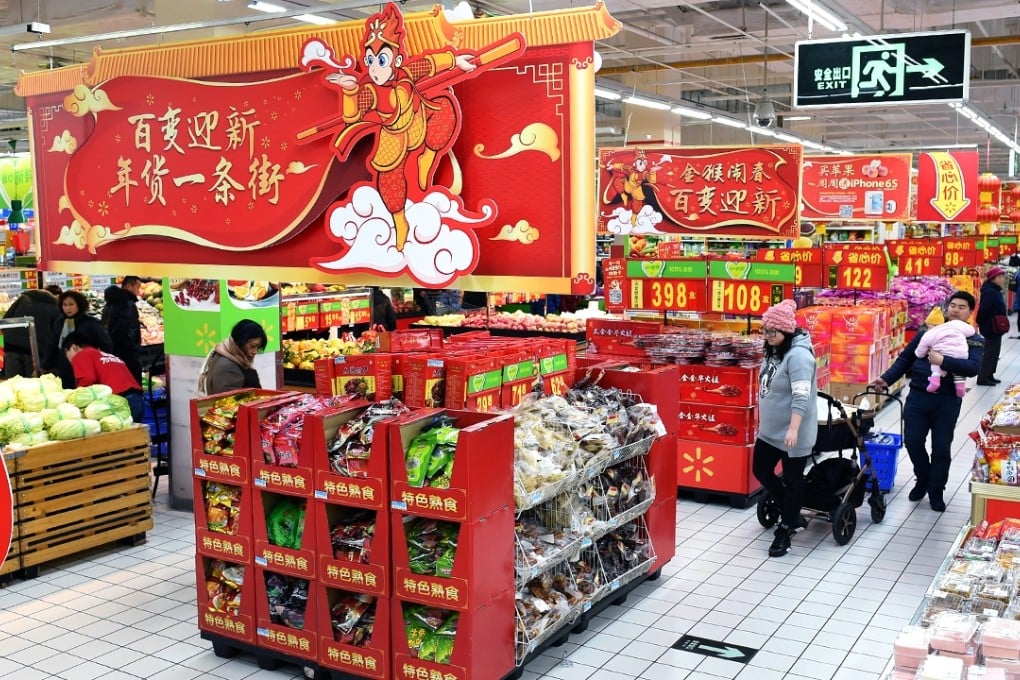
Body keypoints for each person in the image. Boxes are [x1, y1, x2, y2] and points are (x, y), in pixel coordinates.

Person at [870, 291, 983, 512]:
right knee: (913, 441)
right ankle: (922, 478)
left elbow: (972, 368)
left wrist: (943, 361)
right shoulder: (929, 330)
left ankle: (936, 490)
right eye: (953, 305)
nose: (956, 310)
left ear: (970, 312)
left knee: (941, 448)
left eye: (962, 307)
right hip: (919, 396)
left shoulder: (974, 339)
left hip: (947, 401)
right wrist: (886, 379)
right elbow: (906, 358)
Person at [751, 299, 818, 558]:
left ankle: (786, 529)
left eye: (772, 331)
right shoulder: (774, 350)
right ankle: (791, 511)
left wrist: (793, 429)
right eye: (764, 330)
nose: (767, 336)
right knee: (761, 470)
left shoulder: (799, 356)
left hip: (793, 432)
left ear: (787, 331)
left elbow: (801, 396)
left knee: (793, 481)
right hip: (770, 431)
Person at [62, 331, 145, 422]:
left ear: (74, 347)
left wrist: (77, 399)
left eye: (66, 353)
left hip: (119, 402)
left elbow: (87, 379)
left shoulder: (81, 355)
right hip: (138, 400)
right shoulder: (106, 355)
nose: (67, 358)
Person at [49, 290, 114, 389]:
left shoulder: (91, 322)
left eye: (71, 304)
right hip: (65, 368)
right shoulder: (59, 322)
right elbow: (52, 345)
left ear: (79, 305)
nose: (67, 308)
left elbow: (106, 344)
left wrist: (104, 364)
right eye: (65, 305)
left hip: (87, 368)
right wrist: (45, 365)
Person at [914, 307, 974, 398]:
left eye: (928, 326)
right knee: (958, 372)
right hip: (961, 353)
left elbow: (922, 346)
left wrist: (919, 354)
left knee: (935, 363)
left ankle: (935, 380)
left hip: (943, 353)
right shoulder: (956, 327)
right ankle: (960, 386)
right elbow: (970, 331)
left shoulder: (930, 333)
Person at [2, 288, 61, 378]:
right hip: (36, 349)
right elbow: (56, 334)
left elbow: (6, 320)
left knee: (12, 381)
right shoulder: (55, 306)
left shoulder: (23, 299)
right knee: (31, 382)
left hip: (12, 347)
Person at [197, 319, 268, 395]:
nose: (255, 352)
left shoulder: (227, 355)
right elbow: (229, 400)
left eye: (258, 348)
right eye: (253, 346)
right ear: (241, 341)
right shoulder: (228, 367)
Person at [101, 275, 144, 385]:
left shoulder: (109, 303)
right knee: (133, 383)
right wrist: (134, 348)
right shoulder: (127, 303)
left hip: (113, 351)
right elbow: (126, 328)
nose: (138, 291)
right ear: (129, 286)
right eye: (137, 287)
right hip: (127, 352)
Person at [976, 267, 1008, 385]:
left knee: (994, 352)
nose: (1002, 279)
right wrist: (981, 322)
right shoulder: (990, 291)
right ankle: (983, 378)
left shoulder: (995, 290)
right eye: (999, 277)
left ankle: (989, 375)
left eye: (1002, 276)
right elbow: (984, 309)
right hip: (991, 326)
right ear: (993, 278)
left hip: (995, 326)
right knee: (990, 352)